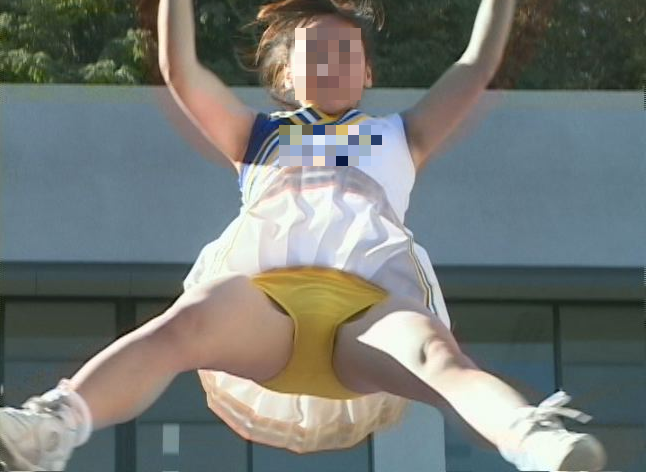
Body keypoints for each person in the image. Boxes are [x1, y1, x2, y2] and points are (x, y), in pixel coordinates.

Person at [0, 0, 607, 471]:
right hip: (267, 307)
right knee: (183, 324)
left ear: (367, 70)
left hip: (368, 312)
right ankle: (51, 425)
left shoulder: (400, 135)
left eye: (347, 52)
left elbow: (474, 67)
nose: (333, 62)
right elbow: (181, 71)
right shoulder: (256, 136)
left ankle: (530, 437)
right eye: (316, 53)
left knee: (437, 356)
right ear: (285, 74)